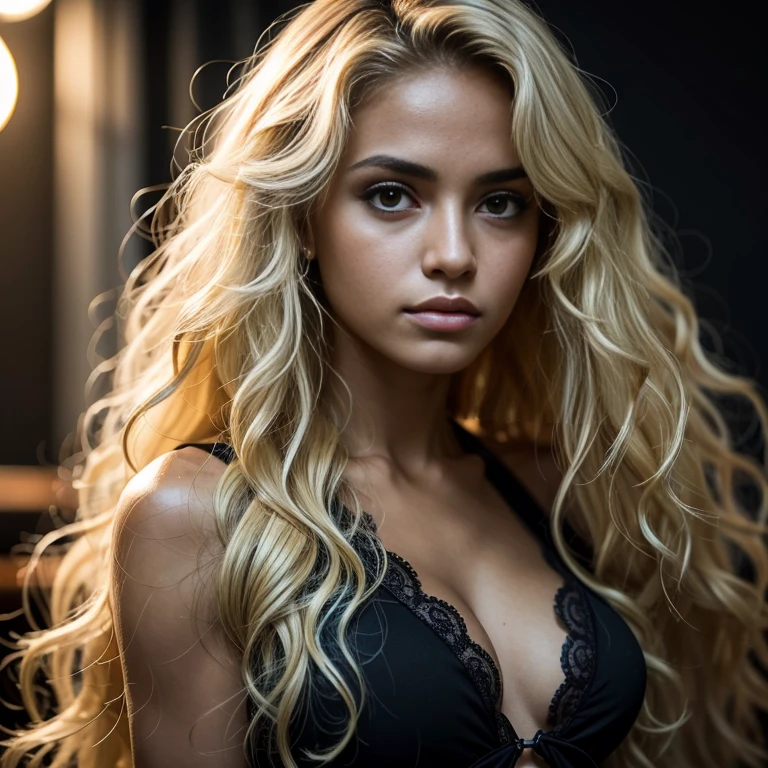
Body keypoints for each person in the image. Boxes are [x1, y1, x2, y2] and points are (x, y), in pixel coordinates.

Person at [2, 0, 767, 766]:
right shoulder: (196, 515)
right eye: (392, 194)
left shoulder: (552, 484)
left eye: (501, 203)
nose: (454, 254)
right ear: (302, 215)